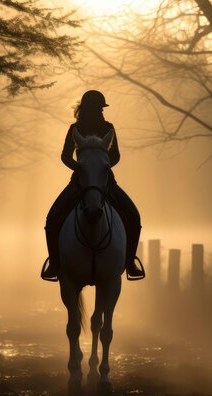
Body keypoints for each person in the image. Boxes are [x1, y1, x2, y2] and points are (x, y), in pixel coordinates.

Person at [42, 90, 144, 279]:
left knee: (133, 216)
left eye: (100, 109)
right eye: (97, 108)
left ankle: (129, 262)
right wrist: (82, 170)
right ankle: (55, 264)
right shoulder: (75, 128)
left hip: (106, 181)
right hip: (79, 181)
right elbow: (65, 156)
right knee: (52, 218)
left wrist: (101, 171)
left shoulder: (109, 127)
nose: (99, 112)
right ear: (89, 108)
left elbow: (115, 156)